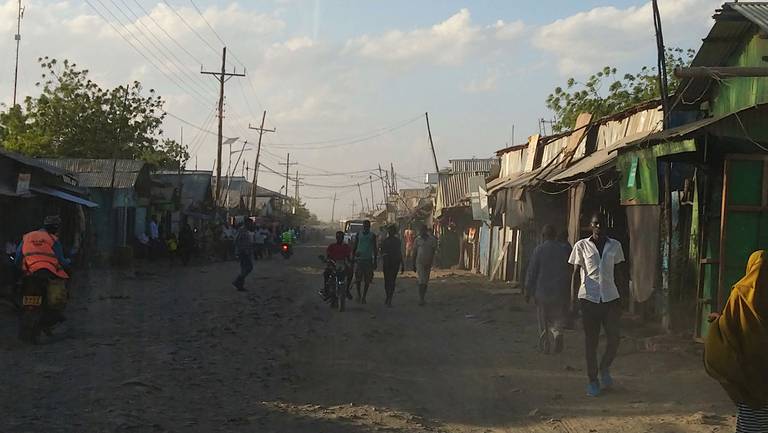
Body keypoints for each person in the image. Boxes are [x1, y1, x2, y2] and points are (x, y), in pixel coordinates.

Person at [705, 250, 768, 432]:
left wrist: (718, 322)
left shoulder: (740, 294)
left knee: (752, 419)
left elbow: (728, 330)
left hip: (749, 380)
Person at [568, 213, 626, 397]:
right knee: (591, 343)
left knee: (614, 338)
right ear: (590, 226)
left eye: (601, 224)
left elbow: (619, 273)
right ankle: (593, 381)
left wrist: (623, 297)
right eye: (595, 224)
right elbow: (575, 274)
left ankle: (604, 368)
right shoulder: (581, 246)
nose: (599, 227)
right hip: (589, 299)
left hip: (610, 298)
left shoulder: (615, 246)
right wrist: (572, 301)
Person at [17, 215, 71, 328]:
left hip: (29, 273)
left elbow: (18, 257)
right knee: (58, 294)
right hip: (48, 273)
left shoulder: (27, 236)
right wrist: (69, 261)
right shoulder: (53, 239)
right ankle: (54, 314)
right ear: (55, 228)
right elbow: (62, 260)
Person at [525, 224, 572, 354]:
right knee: (557, 317)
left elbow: (532, 271)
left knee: (543, 319)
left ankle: (545, 344)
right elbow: (569, 270)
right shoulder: (563, 250)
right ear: (555, 236)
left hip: (542, 292)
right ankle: (557, 335)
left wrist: (528, 290)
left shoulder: (539, 250)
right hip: (559, 291)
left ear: (544, 236)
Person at [352, 220, 377, 304]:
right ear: (363, 226)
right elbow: (355, 246)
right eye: (365, 225)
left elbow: (375, 248)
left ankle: (364, 296)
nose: (366, 227)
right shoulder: (359, 234)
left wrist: (375, 261)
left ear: (369, 226)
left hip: (368, 260)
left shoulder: (372, 235)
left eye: (367, 226)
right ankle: (359, 295)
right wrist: (353, 257)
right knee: (358, 279)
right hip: (359, 259)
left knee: (367, 280)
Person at [323, 231, 353, 300]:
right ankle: (326, 289)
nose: (339, 239)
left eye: (341, 237)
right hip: (333, 264)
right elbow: (328, 256)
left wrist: (352, 261)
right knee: (326, 273)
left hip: (342, 264)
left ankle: (347, 289)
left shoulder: (346, 247)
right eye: (338, 237)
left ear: (343, 238)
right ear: (336, 238)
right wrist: (326, 260)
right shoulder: (331, 246)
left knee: (350, 272)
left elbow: (348, 258)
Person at [414, 224, 438, 306]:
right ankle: (421, 298)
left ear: (425, 230)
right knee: (421, 280)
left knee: (425, 281)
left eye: (422, 230)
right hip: (419, 263)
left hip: (428, 263)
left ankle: (423, 297)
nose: (421, 232)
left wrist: (434, 262)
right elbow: (415, 252)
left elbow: (434, 251)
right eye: (420, 231)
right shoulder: (417, 240)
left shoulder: (432, 240)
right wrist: (413, 264)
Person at [380, 225, 405, 307]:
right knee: (387, 281)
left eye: (392, 231)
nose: (390, 232)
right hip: (387, 263)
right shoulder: (385, 241)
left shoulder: (397, 241)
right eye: (389, 230)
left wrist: (402, 264)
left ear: (394, 232)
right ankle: (388, 296)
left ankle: (389, 297)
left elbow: (399, 252)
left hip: (395, 263)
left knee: (392, 281)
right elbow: (382, 252)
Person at [232, 221, 255, 292]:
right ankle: (237, 281)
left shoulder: (245, 231)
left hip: (246, 252)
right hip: (243, 252)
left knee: (245, 268)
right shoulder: (242, 230)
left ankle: (240, 285)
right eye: (250, 224)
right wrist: (241, 249)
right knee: (249, 267)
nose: (251, 225)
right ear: (247, 224)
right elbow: (236, 240)